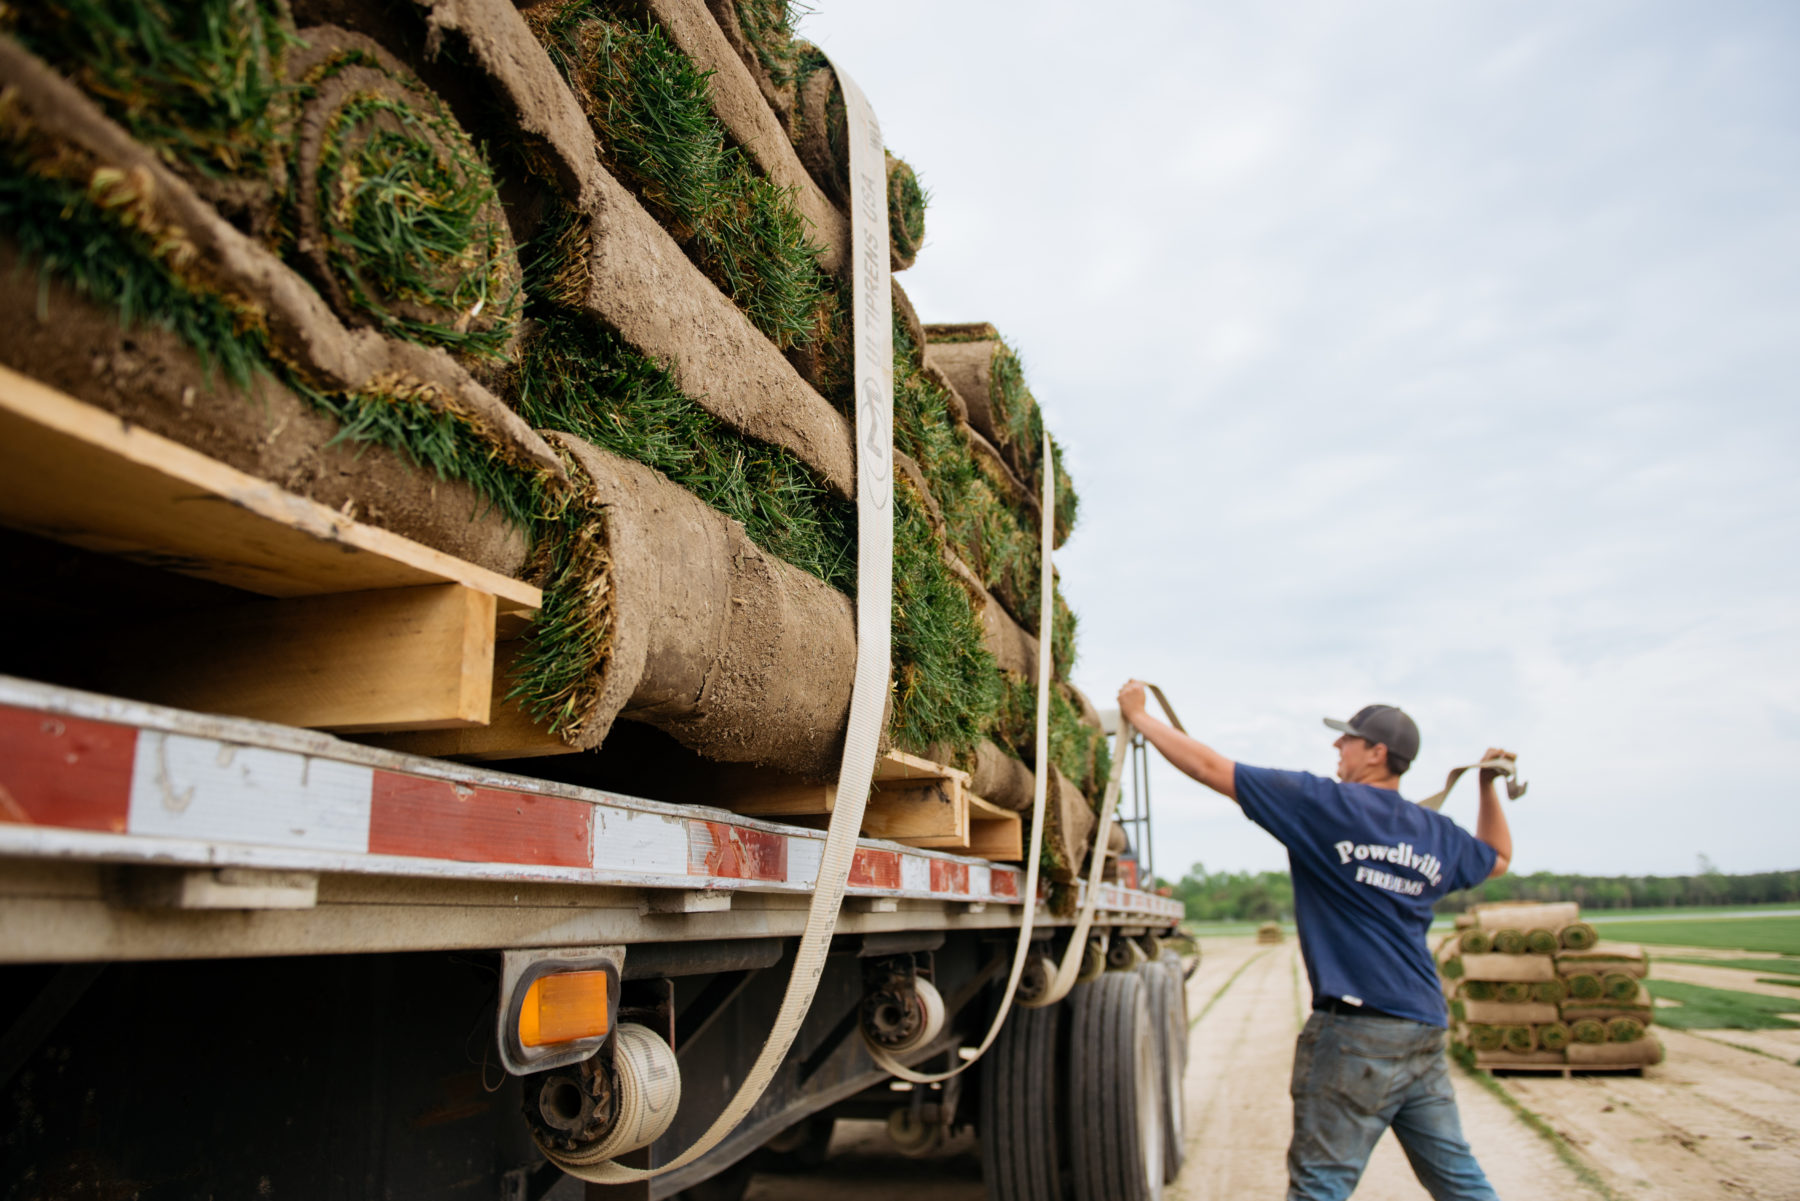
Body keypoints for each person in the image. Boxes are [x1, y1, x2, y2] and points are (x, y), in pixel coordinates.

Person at [1115, 683, 1513, 1201]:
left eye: (1348, 739)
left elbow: (1209, 769)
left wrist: (1138, 716)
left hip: (1357, 1031)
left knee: (1319, 1186)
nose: (1336, 749)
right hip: (1422, 1025)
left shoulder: (1324, 805)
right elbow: (1498, 857)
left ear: (1377, 753)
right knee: (1459, 1182)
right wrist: (1487, 786)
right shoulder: (1435, 832)